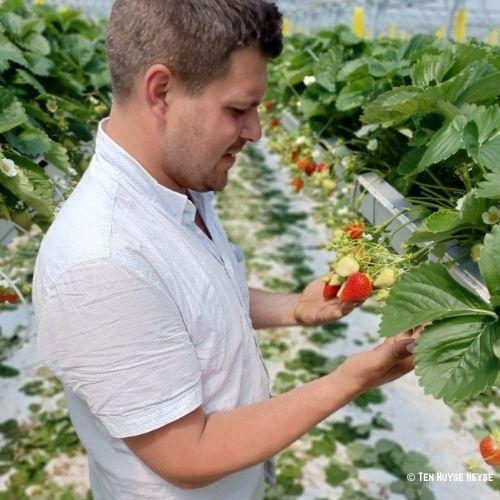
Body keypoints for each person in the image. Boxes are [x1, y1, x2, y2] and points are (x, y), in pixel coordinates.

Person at [33, 1, 422, 499]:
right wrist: (348, 380)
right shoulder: (101, 261)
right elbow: (187, 455)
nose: (256, 132)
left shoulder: (174, 189)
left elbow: (191, 300)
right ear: (162, 92)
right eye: (238, 109)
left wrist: (294, 310)